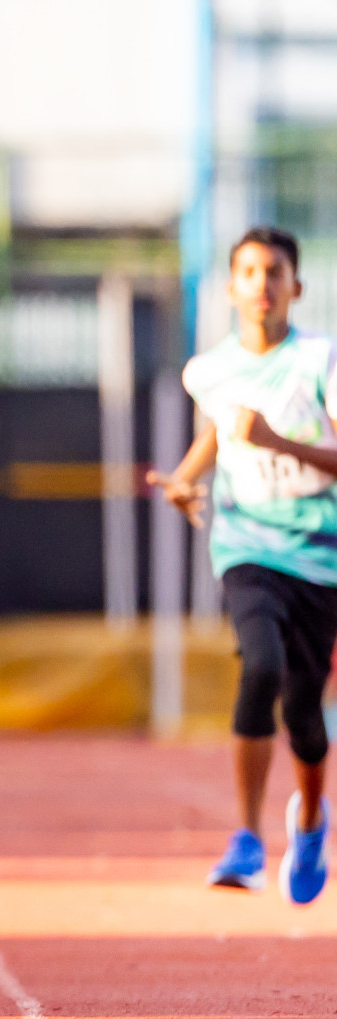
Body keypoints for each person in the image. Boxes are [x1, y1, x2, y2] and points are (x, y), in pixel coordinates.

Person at [149, 226, 337, 905]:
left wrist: (278, 438)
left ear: (297, 287)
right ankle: (248, 839)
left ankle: (312, 820)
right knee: (259, 664)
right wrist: (182, 479)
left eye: (275, 272)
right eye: (250, 272)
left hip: (319, 555)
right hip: (246, 545)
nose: (262, 284)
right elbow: (218, 431)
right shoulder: (208, 369)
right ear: (230, 288)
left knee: (306, 715)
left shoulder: (322, 361)